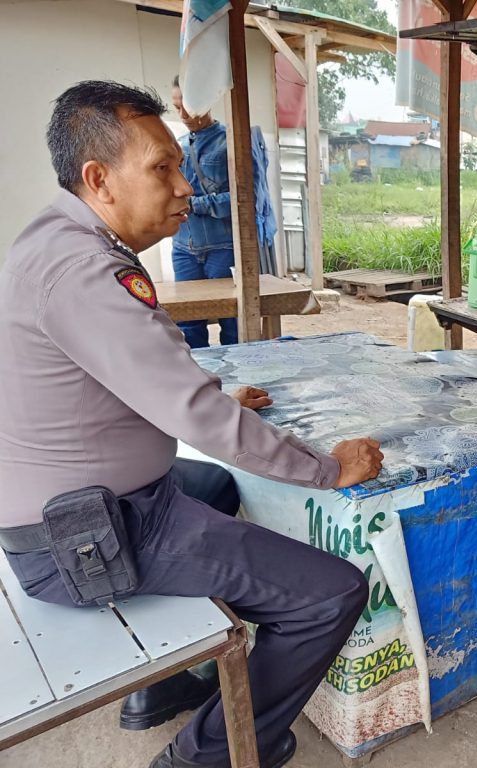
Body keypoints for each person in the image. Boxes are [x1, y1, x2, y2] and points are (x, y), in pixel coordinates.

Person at [0, 81, 383, 768]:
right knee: (331, 594)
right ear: (98, 178)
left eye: (180, 166)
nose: (183, 187)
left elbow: (127, 382)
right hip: (90, 538)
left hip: (71, 510)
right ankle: (207, 755)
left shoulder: (53, 240)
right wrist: (329, 468)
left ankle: (162, 684)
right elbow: (192, 413)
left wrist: (213, 401)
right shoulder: (86, 271)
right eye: (162, 169)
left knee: (210, 486)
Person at [170, 76, 275, 348]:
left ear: (207, 102)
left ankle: (240, 384)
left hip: (223, 248)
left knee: (234, 324)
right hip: (183, 248)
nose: (182, 114)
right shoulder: (177, 147)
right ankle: (201, 386)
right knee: (188, 326)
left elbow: (248, 199)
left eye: (188, 106)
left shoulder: (233, 142)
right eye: (176, 107)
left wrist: (197, 205)